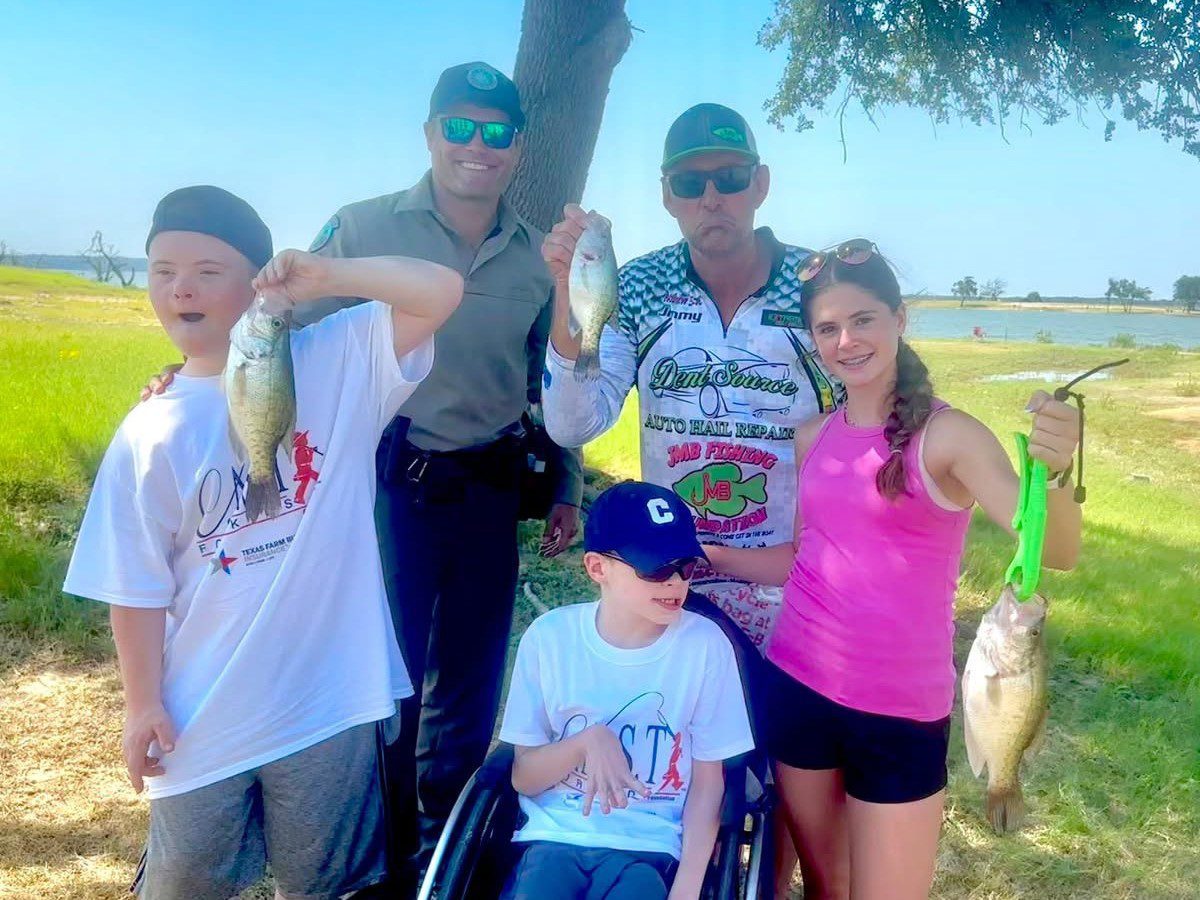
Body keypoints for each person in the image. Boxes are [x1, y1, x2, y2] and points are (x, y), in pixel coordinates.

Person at [63, 185, 462, 899]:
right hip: (202, 716)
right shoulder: (147, 433)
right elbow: (135, 586)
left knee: (333, 886)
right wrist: (142, 703)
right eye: (162, 271)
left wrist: (328, 276)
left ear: (253, 281)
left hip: (329, 702)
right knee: (185, 885)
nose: (181, 288)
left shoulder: (334, 361)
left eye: (209, 271)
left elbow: (439, 291)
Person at [705, 240, 1083, 900]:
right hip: (796, 687)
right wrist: (703, 556)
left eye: (864, 320)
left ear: (900, 319)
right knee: (826, 885)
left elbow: (1054, 549)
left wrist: (1057, 468)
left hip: (899, 714)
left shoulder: (949, 436)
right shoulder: (812, 437)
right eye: (828, 328)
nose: (847, 340)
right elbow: (799, 559)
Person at [295, 61, 585, 891]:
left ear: (518, 149)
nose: (476, 146)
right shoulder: (360, 227)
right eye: (458, 127)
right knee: (384, 678)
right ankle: (383, 860)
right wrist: (195, 379)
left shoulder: (537, 260)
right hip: (386, 486)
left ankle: (449, 855)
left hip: (490, 486)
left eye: (496, 133)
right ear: (430, 135)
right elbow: (277, 331)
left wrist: (564, 483)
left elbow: (551, 376)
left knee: (470, 680)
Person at [540, 102, 833, 893]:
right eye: (690, 182)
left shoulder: (816, 287)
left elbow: (876, 417)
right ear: (667, 194)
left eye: (730, 178)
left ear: (760, 185)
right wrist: (571, 299)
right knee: (685, 764)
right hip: (674, 582)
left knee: (785, 778)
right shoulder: (635, 287)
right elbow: (574, 419)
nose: (713, 197)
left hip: (791, 583)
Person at [498, 481, 755, 900]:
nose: (675, 583)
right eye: (655, 568)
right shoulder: (550, 639)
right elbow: (524, 778)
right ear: (598, 568)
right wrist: (586, 742)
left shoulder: (704, 647)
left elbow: (710, 785)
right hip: (555, 837)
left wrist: (688, 887)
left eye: (685, 567)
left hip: (649, 844)